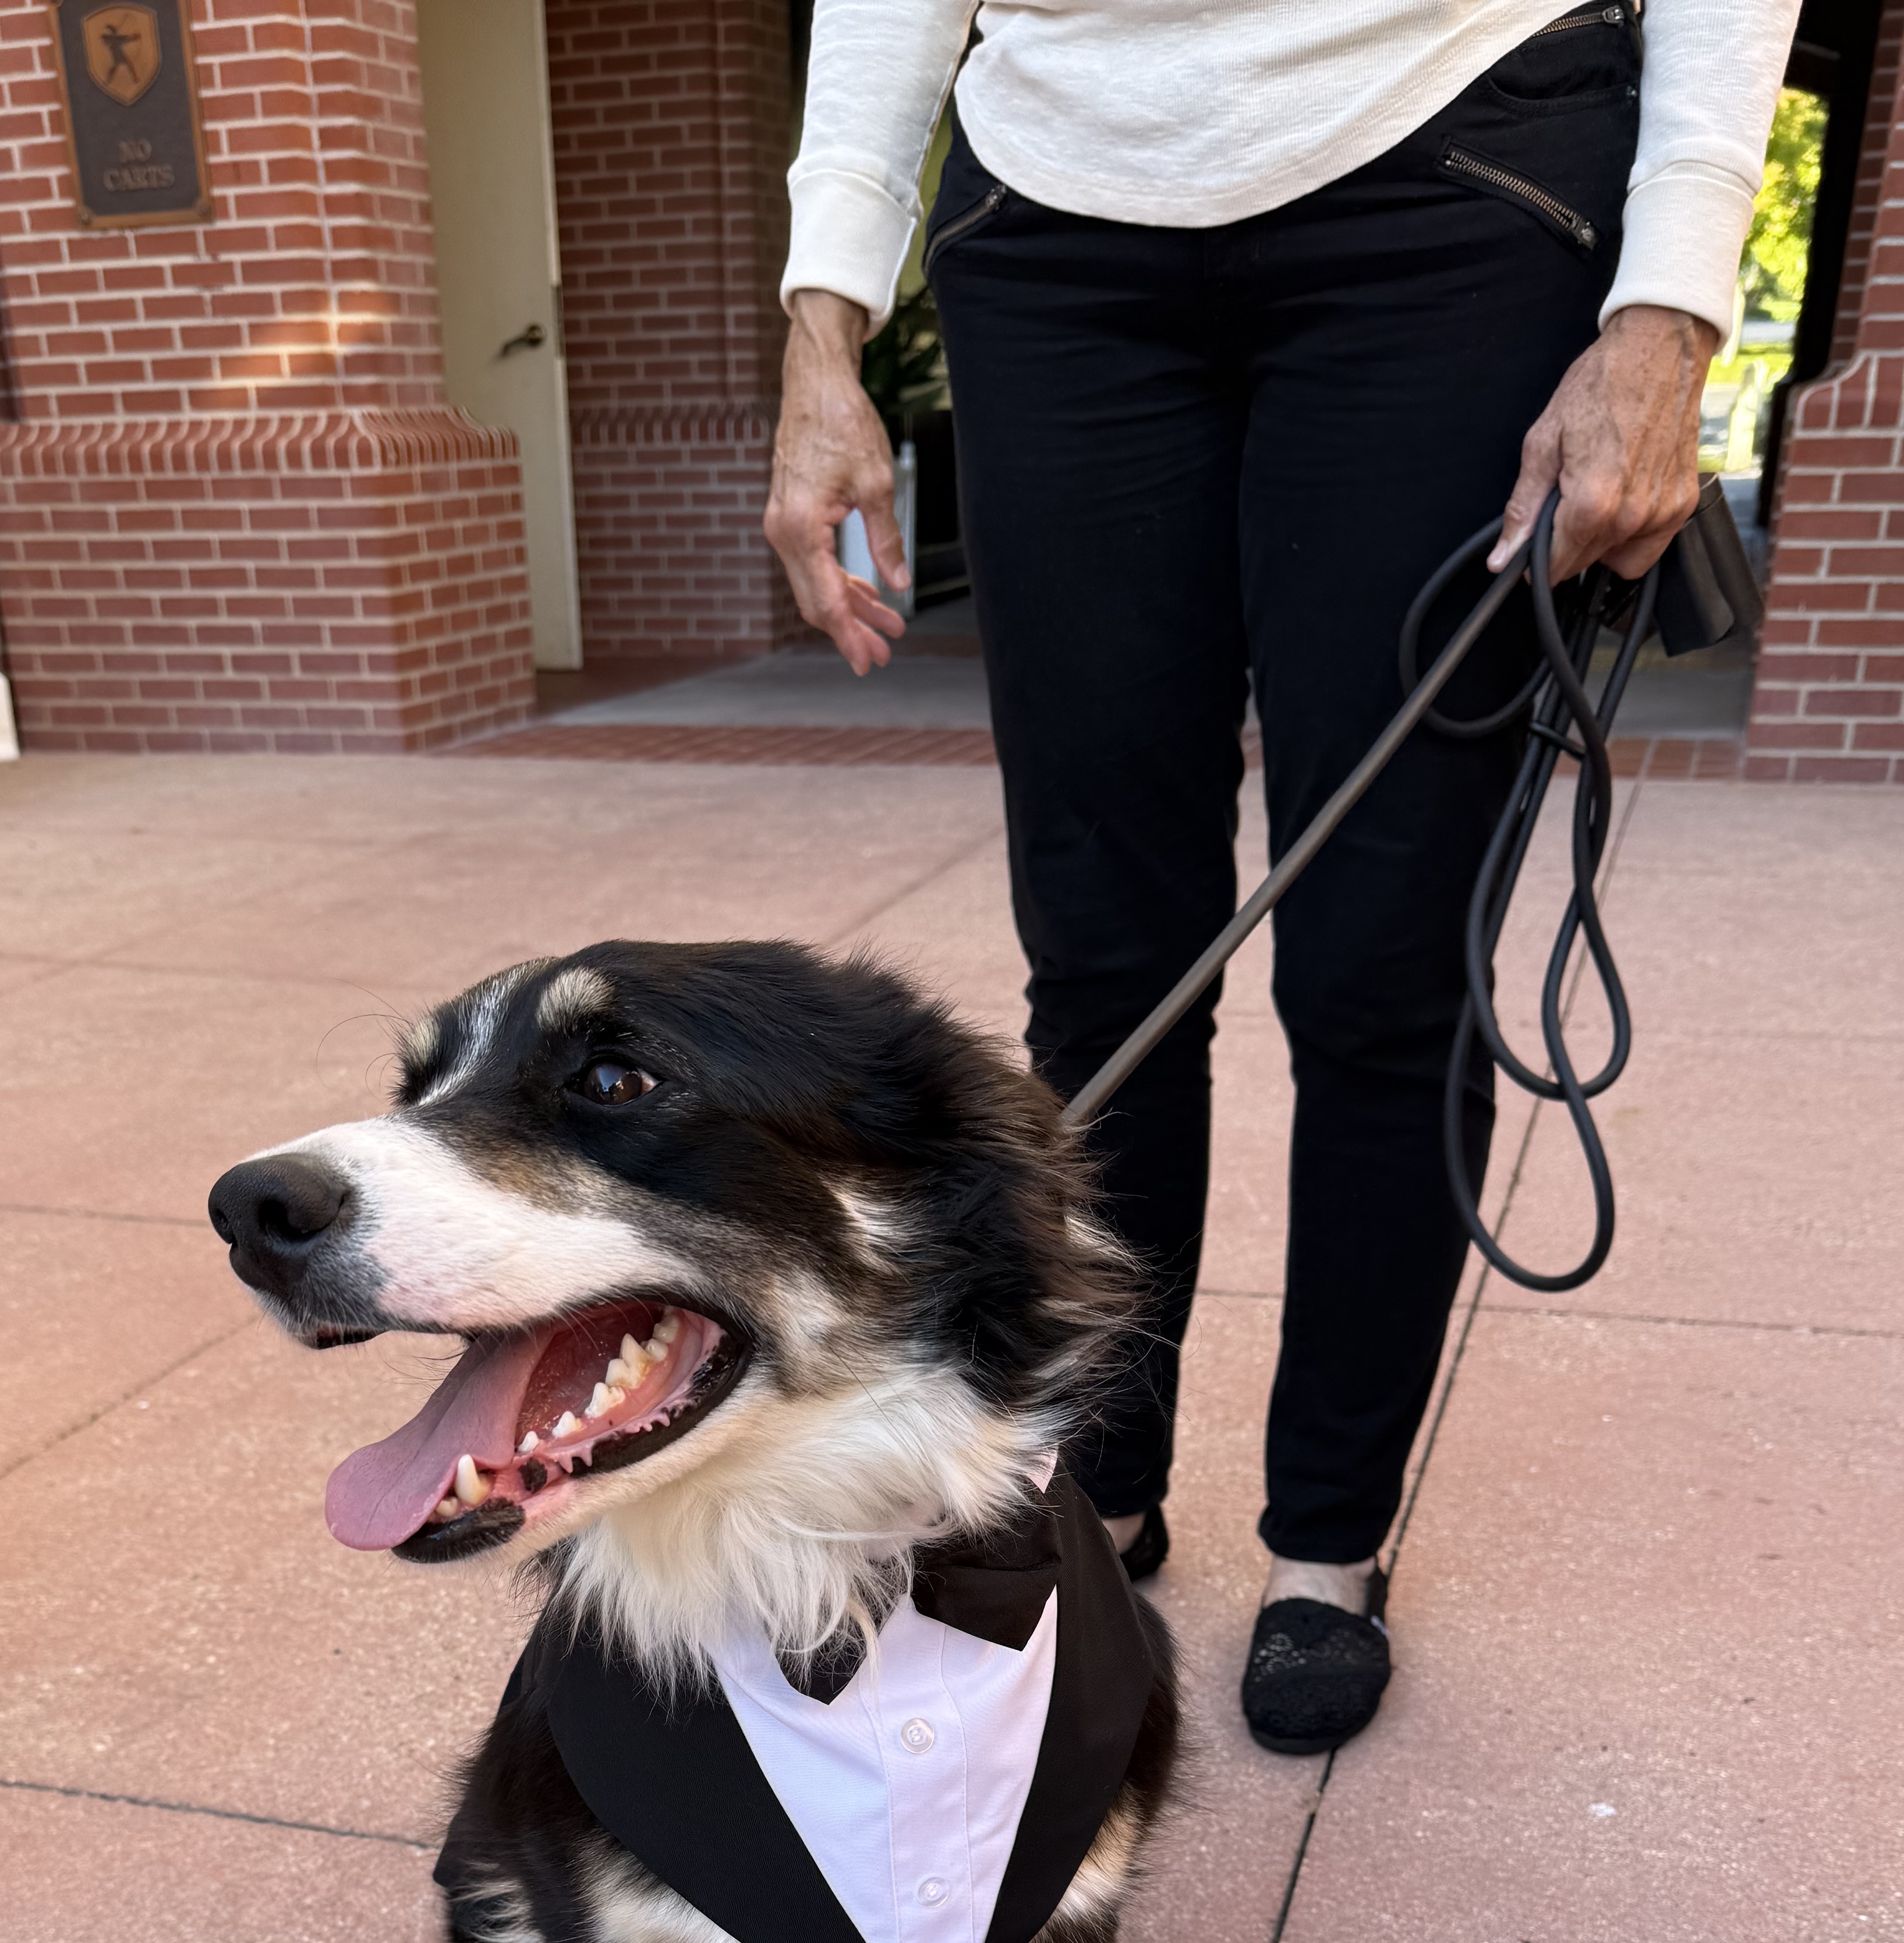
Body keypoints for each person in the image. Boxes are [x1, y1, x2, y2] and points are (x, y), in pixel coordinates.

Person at [767, 0, 1793, 1753]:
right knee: (1104, 963)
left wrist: (1669, 308)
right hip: (1053, 212)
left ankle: (1329, 1540)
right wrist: (824, 323)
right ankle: (1096, 1489)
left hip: (1458, 172)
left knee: (1385, 965)